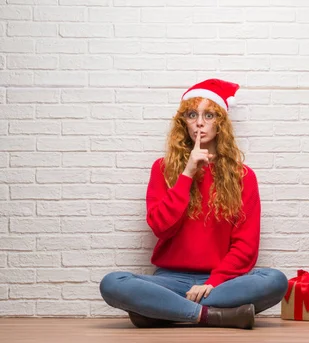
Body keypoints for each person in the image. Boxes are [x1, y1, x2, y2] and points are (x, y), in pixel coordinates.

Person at [99, 79, 289, 330]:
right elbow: (160, 227)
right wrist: (187, 173)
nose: (200, 122)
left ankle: (163, 310)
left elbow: (246, 245)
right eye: (192, 114)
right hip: (171, 280)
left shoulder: (243, 176)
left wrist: (214, 281)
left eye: (208, 115)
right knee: (113, 283)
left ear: (220, 122)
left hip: (222, 283)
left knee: (274, 280)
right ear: (184, 123)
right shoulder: (162, 169)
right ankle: (213, 316)